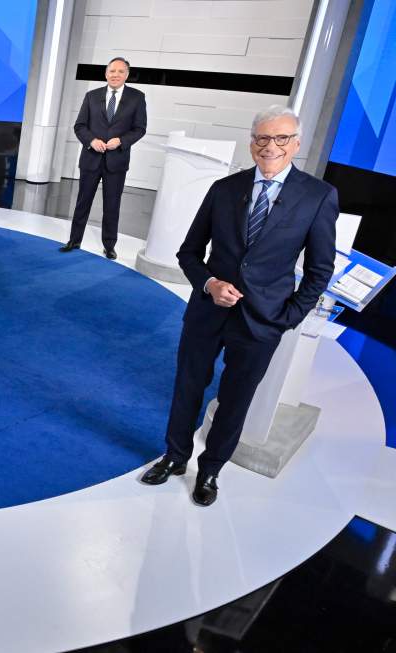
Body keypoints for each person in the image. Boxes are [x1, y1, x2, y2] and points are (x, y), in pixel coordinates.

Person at [140, 106, 337, 506]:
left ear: (295, 144)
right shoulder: (224, 189)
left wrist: (288, 317)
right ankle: (176, 457)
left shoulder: (318, 197)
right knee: (187, 389)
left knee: (235, 400)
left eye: (281, 138)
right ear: (251, 144)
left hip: (263, 321)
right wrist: (210, 283)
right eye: (262, 138)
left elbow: (319, 270)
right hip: (206, 312)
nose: (271, 147)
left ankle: (210, 471)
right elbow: (189, 253)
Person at [59, 57, 147, 259]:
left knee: (112, 204)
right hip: (91, 158)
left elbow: (140, 129)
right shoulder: (91, 96)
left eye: (120, 71)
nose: (115, 75)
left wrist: (121, 141)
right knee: (83, 201)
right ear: (106, 73)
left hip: (117, 161)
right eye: (112, 71)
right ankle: (74, 240)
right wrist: (91, 141)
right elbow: (79, 126)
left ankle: (109, 245)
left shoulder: (137, 97)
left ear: (127, 74)